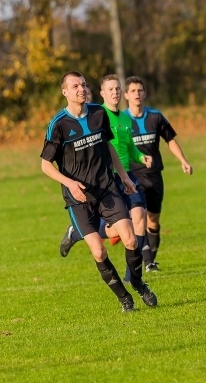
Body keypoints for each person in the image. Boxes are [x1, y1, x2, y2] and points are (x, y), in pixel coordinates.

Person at [41, 71, 157, 312]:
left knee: (130, 238)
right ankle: (124, 298)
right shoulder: (58, 124)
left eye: (83, 85)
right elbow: (45, 165)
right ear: (65, 92)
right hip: (78, 198)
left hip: (107, 188)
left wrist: (124, 177)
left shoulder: (98, 113)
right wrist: (70, 183)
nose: (81, 89)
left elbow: (108, 146)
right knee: (99, 250)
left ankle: (137, 283)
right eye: (75, 86)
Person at [58, 75, 154, 274]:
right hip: (105, 178)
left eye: (118, 88)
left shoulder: (125, 117)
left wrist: (140, 156)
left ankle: (134, 273)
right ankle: (77, 233)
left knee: (139, 216)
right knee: (115, 229)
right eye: (110, 89)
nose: (115, 92)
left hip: (125, 173)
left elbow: (128, 147)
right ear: (102, 93)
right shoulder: (96, 114)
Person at [124, 75, 193, 270]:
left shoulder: (155, 116)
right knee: (140, 217)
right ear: (127, 95)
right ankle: (147, 262)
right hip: (133, 176)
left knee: (153, 221)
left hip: (154, 176)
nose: (137, 94)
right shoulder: (122, 121)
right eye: (133, 91)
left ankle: (150, 259)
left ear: (144, 93)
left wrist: (183, 161)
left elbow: (170, 140)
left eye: (140, 90)